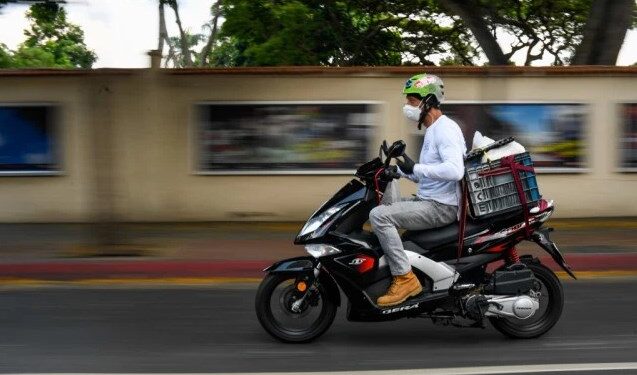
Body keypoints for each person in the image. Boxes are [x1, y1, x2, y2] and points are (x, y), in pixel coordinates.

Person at [370, 73, 467, 307]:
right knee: (385, 203)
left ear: (429, 102)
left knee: (379, 216)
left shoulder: (445, 129)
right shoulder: (433, 130)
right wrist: (401, 172)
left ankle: (405, 279)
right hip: (429, 198)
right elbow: (429, 174)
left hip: (442, 206)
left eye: (412, 102)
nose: (407, 107)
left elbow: (455, 171)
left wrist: (416, 168)